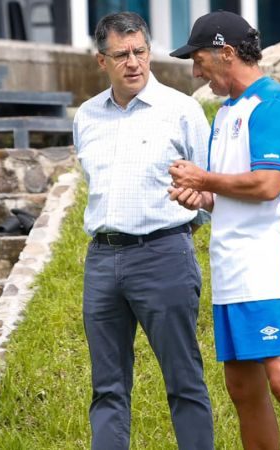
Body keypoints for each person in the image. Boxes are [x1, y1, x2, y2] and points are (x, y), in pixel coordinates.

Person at [167, 10, 280, 450]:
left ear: (227, 53)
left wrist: (204, 179)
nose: (196, 72)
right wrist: (202, 196)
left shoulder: (274, 104)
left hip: (273, 266)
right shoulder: (226, 114)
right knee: (242, 388)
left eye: (199, 60)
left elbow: (267, 184)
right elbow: (231, 189)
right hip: (233, 268)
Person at [72, 11, 214, 450]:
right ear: (102, 61)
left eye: (140, 52)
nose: (133, 62)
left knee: (184, 381)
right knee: (107, 388)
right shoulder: (86, 117)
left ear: (149, 52)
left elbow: (212, 185)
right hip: (102, 260)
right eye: (121, 55)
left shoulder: (182, 110)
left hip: (163, 255)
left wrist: (200, 202)